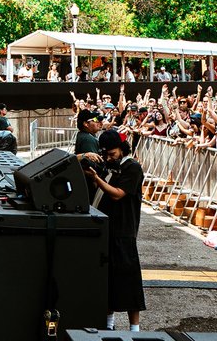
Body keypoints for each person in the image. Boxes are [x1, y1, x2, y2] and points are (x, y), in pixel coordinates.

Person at [84, 129, 145, 332]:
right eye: (106, 154)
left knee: (129, 281)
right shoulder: (109, 166)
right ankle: (108, 323)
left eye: (112, 153)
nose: (109, 158)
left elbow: (118, 194)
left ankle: (134, 328)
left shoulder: (132, 167)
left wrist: (97, 179)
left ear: (122, 148)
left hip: (124, 231)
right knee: (108, 278)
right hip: (107, 228)